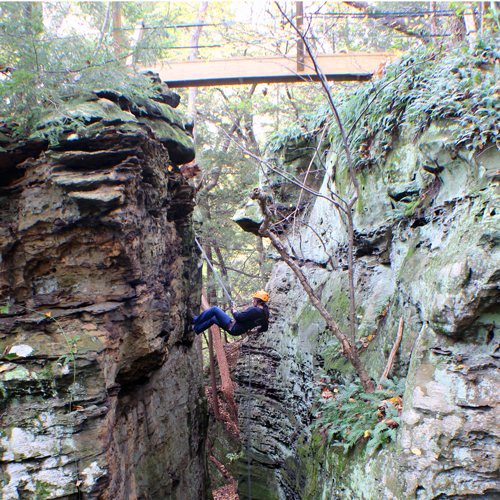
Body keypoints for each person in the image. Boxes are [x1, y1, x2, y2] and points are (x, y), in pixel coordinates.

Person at [192, 290, 269, 336]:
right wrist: (251, 332)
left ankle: (195, 320)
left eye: (254, 300)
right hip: (237, 330)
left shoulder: (254, 310)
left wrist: (233, 309)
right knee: (213, 319)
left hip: (233, 327)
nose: (252, 301)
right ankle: (195, 329)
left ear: (258, 301)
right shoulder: (265, 314)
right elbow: (264, 328)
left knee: (214, 309)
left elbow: (238, 317)